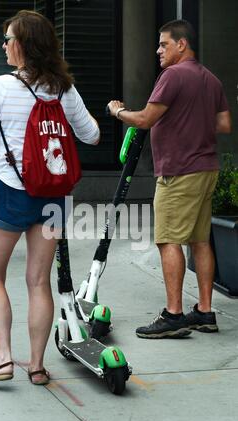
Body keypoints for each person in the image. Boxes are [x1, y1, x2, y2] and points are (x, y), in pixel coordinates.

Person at [0, 10, 100, 383]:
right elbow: (91, 135)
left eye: (9, 39)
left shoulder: (1, 86)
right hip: (54, 196)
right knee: (38, 281)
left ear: (23, 46)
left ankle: (3, 358)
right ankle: (38, 366)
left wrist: (2, 137)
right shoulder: (63, 88)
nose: (4, 46)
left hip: (12, 192)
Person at [108, 19, 231, 339]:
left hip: (179, 172)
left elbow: (146, 119)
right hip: (206, 169)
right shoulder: (211, 79)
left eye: (164, 44)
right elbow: (224, 124)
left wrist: (118, 112)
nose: (158, 50)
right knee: (200, 241)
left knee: (168, 239)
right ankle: (204, 312)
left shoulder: (173, 75)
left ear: (182, 45)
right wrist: (191, 120)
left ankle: (174, 314)